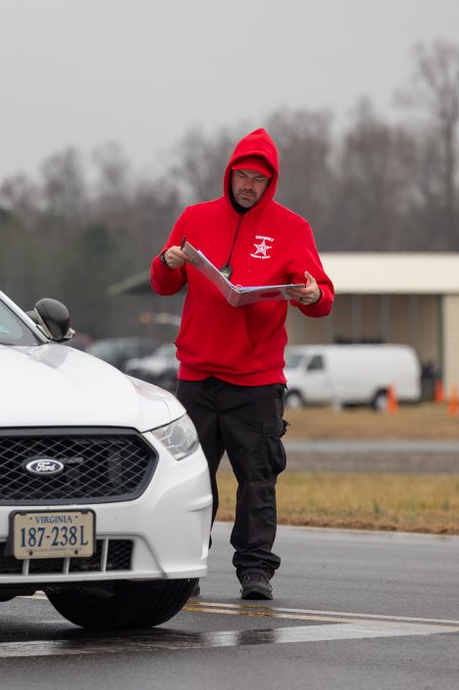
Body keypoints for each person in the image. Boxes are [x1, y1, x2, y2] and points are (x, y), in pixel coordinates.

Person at [150, 127, 333, 601]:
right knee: (190, 479)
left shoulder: (293, 229)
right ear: (229, 174)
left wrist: (312, 293)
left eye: (259, 178)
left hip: (255, 381)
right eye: (242, 176)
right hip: (197, 376)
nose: (248, 185)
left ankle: (255, 571)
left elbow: (321, 297)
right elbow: (164, 284)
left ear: (271, 182)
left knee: (258, 479)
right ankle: (186, 568)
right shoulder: (195, 217)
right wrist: (169, 261)